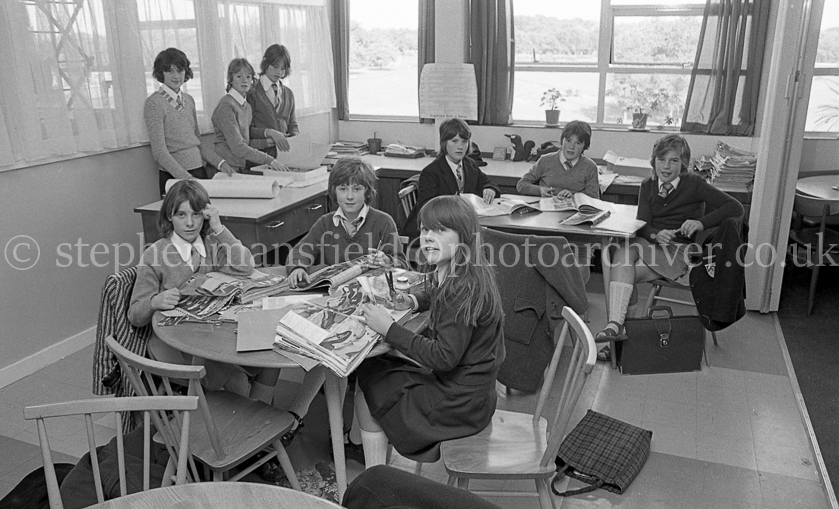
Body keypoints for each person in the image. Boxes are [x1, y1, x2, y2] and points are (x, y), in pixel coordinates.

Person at [256, 158, 405, 481]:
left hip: (369, 310)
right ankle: (305, 422)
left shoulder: (382, 222)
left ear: (368, 192)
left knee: (346, 360)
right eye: (342, 188)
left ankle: (330, 429)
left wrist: (386, 261)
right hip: (332, 308)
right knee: (311, 345)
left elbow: (399, 263)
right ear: (333, 191)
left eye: (357, 188)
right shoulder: (326, 223)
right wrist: (297, 266)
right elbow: (302, 252)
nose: (349, 196)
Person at [354, 195, 506, 466]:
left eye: (440, 230)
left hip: (458, 405)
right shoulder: (465, 271)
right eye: (425, 229)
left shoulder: (460, 289)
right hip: (477, 395)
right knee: (377, 368)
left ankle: (374, 473)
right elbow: (437, 292)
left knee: (369, 378)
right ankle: (372, 457)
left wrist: (388, 328)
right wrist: (413, 300)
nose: (427, 237)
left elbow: (443, 358)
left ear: (464, 236)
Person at [127, 180, 280, 400]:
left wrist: (219, 228)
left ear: (205, 215)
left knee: (270, 359)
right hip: (173, 342)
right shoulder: (155, 254)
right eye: (181, 215)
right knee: (236, 379)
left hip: (210, 331)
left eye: (196, 214)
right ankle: (249, 423)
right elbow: (135, 315)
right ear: (169, 216)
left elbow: (246, 266)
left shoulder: (210, 243)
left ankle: (260, 421)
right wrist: (155, 302)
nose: (189, 223)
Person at [595, 134, 744, 360]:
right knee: (625, 250)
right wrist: (656, 233)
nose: (666, 166)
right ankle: (616, 326)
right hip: (653, 246)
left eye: (673, 160)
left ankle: (619, 334)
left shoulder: (694, 184)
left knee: (622, 273)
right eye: (661, 159)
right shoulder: (647, 185)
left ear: (683, 163)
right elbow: (643, 225)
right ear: (653, 161)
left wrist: (700, 223)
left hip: (681, 253)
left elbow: (735, 208)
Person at [144, 48, 231, 195]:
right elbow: (159, 152)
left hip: (198, 172)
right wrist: (186, 179)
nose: (176, 76)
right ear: (161, 73)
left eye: (180, 70)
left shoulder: (189, 100)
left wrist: (220, 163)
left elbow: (197, 141)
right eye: (170, 71)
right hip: (174, 177)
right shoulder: (154, 103)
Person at [403, 118, 500, 239]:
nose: (460, 146)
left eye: (464, 142)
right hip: (435, 229)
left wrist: (490, 188)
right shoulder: (431, 172)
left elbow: (488, 182)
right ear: (444, 143)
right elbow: (426, 209)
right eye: (455, 141)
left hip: (461, 225)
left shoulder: (470, 164)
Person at [211, 58, 287, 173]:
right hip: (226, 167)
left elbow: (245, 141)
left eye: (248, 77)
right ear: (230, 79)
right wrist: (269, 160)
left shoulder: (246, 106)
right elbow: (237, 147)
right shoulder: (226, 106)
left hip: (239, 164)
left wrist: (266, 142)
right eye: (239, 76)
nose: (244, 81)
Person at [245, 44, 299, 170]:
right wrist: (268, 135)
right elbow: (246, 130)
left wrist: (296, 139)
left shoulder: (289, 94)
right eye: (275, 67)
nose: (279, 72)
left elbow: (293, 125)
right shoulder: (251, 92)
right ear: (266, 64)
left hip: (285, 160)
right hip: (258, 161)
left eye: (283, 68)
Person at [516, 120, 599, 199]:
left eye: (577, 143)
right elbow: (521, 185)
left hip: (575, 212)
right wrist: (540, 190)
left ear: (585, 146)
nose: (571, 147)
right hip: (547, 211)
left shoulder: (590, 167)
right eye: (568, 140)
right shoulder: (545, 160)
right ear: (562, 140)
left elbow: (594, 199)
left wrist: (574, 197)